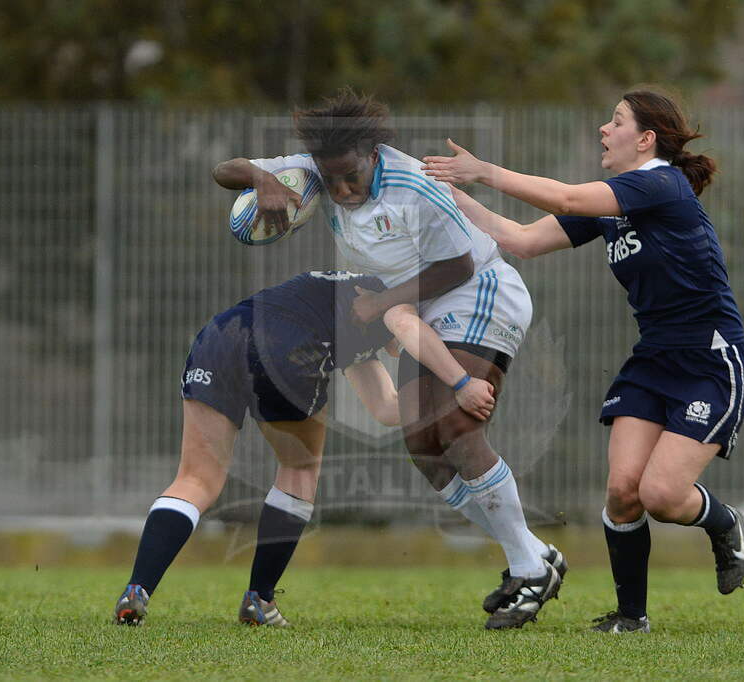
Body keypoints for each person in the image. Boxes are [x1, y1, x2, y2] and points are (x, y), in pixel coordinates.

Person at [213, 89, 567, 630]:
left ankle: (528, 568)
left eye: (350, 176)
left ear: (372, 153)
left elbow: (457, 265)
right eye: (331, 179)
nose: (341, 190)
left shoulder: (415, 186)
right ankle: (534, 554)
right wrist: (262, 178)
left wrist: (381, 304)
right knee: (423, 445)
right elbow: (224, 170)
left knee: (454, 424)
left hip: (477, 290)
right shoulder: (317, 167)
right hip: (419, 309)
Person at [422, 89, 744, 633]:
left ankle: (723, 522)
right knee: (622, 493)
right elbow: (521, 240)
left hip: (710, 359)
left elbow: (569, 198)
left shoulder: (662, 183)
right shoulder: (612, 207)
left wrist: (483, 171)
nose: (604, 129)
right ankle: (631, 618)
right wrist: (448, 193)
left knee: (662, 495)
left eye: (616, 121)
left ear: (646, 139)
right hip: (653, 360)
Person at [113, 270, 496, 627]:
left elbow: (385, 408)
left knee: (197, 478)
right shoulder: (399, 298)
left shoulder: (350, 315)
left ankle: (137, 589)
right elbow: (408, 327)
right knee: (299, 471)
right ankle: (259, 600)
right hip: (286, 346)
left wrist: (442, 402)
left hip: (220, 335)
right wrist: (462, 383)